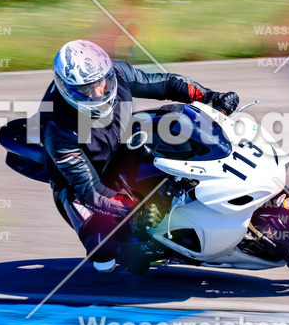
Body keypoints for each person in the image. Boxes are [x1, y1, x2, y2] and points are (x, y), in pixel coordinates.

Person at [41, 39, 239, 272]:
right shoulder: (57, 128)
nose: (97, 93)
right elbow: (90, 190)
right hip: (83, 181)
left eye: (101, 83)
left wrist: (209, 97)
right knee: (106, 255)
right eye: (85, 90)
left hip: (121, 141)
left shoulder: (116, 72)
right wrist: (133, 208)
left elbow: (165, 84)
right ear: (67, 89)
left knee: (181, 140)